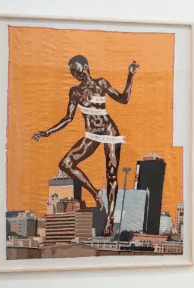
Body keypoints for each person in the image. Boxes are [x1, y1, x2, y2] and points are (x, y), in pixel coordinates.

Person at [33, 55, 139, 237]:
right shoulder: (74, 91)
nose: (75, 73)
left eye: (77, 69)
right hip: (91, 135)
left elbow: (123, 99)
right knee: (65, 164)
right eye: (72, 72)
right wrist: (47, 132)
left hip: (109, 132)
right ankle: (96, 193)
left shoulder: (101, 83)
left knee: (112, 175)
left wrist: (130, 76)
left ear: (86, 67)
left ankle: (110, 219)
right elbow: (68, 118)